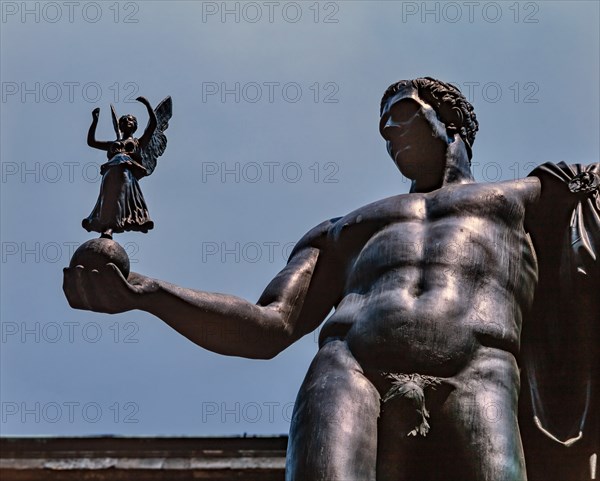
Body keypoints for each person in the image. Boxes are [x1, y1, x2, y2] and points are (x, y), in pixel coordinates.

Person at [64, 78, 599, 481]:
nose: (388, 129)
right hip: (349, 373)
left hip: (479, 371)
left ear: (450, 120)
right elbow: (267, 326)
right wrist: (146, 294)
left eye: (403, 113)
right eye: (382, 124)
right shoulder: (344, 229)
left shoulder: (527, 197)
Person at [83, 97, 157, 238]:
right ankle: (103, 224)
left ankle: (110, 228)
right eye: (124, 120)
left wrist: (147, 105)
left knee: (119, 197)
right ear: (120, 125)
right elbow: (91, 142)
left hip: (126, 171)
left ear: (135, 125)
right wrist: (95, 121)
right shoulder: (113, 143)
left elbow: (153, 125)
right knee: (107, 198)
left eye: (131, 120)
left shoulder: (137, 142)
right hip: (110, 170)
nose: (127, 122)